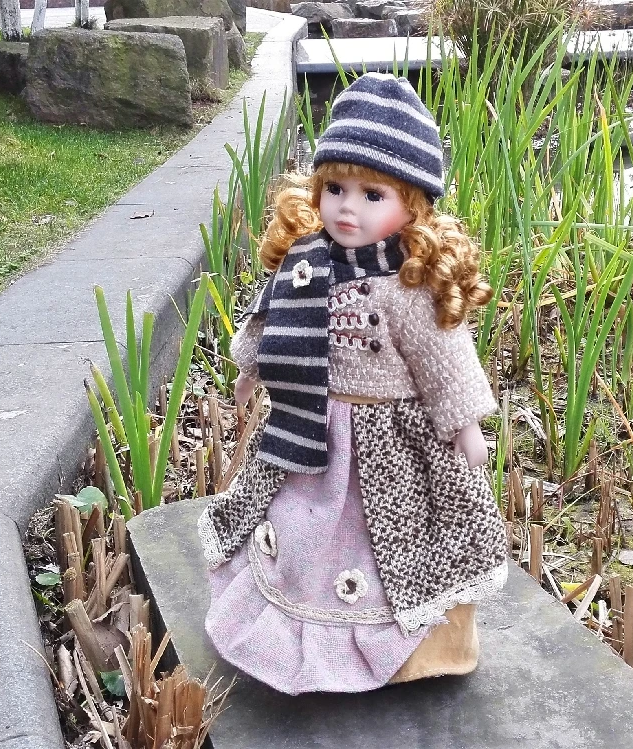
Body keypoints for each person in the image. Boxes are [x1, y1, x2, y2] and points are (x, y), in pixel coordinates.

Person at [197, 72, 508, 695]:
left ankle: (414, 653)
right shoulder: (307, 264)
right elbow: (270, 319)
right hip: (311, 429)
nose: (347, 208)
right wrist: (252, 368)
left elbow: (444, 356)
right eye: (335, 188)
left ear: (412, 205)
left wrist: (465, 424)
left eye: (372, 195)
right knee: (302, 529)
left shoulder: (407, 288)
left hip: (390, 443)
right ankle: (291, 637)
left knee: (394, 544)